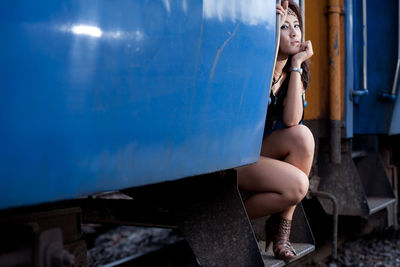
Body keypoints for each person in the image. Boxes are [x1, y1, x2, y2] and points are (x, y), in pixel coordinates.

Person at [238, 0, 314, 261]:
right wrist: (268, 42)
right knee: (297, 186)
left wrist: (295, 65)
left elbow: (293, 121)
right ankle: (232, 219)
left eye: (296, 26)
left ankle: (281, 229)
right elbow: (254, 107)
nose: (294, 32)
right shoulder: (256, 65)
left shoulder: (295, 73)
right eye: (284, 27)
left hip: (260, 155)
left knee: (303, 136)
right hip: (235, 156)